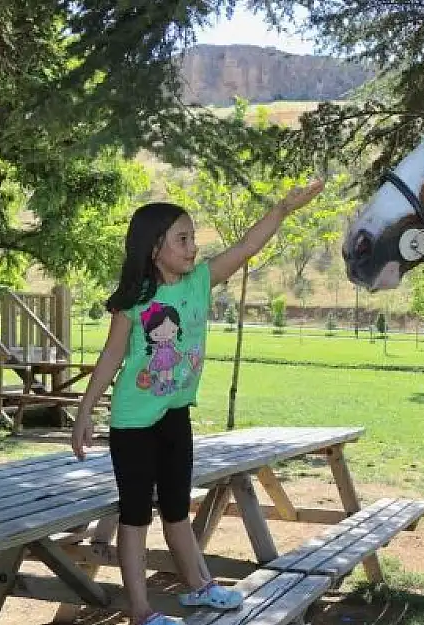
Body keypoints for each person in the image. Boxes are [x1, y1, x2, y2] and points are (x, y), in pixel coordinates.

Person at [71, 179, 327, 625]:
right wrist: (85, 411)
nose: (193, 247)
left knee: (175, 509)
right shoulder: (133, 302)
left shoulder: (201, 281)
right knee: (134, 518)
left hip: (175, 416)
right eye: (183, 239)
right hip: (133, 422)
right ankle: (141, 612)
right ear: (155, 248)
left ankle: (198, 588)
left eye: (193, 238)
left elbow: (247, 247)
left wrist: (283, 209)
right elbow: (112, 356)